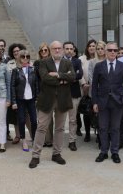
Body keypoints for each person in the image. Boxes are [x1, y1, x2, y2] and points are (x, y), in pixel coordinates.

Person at [29, 41, 76, 169]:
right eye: (54, 48)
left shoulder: (67, 62)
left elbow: (73, 77)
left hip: (63, 100)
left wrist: (58, 75)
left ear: (62, 49)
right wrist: (63, 80)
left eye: (59, 48)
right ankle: (35, 155)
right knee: (41, 127)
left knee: (60, 128)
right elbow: (45, 78)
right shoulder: (43, 62)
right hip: (46, 100)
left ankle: (56, 154)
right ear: (50, 49)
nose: (57, 50)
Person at [92, 42, 123, 163]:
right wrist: (95, 102)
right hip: (102, 102)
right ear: (105, 51)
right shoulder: (99, 66)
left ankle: (115, 152)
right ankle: (103, 152)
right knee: (103, 128)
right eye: (110, 50)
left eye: (115, 50)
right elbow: (94, 86)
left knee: (115, 128)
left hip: (117, 102)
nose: (113, 52)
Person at [11, 49, 38, 152]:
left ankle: (34, 139)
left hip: (31, 98)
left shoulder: (33, 69)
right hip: (20, 99)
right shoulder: (16, 70)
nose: (25, 59)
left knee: (34, 121)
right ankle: (24, 140)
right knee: (21, 120)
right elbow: (12, 86)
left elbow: (36, 84)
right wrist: (14, 102)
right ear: (19, 58)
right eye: (23, 57)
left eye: (27, 57)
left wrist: (37, 97)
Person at [63, 41, 83, 151]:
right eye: (67, 48)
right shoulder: (59, 61)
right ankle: (58, 140)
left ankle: (72, 141)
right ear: (63, 49)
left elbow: (80, 75)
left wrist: (66, 78)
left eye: (71, 49)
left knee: (72, 119)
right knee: (60, 119)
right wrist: (71, 76)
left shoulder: (77, 61)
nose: (69, 50)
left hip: (73, 94)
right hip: (60, 94)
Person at [34, 43, 54, 148]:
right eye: (42, 50)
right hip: (41, 93)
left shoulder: (52, 62)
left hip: (51, 92)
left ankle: (50, 140)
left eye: (45, 50)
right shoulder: (37, 63)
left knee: (50, 119)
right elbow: (36, 80)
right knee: (42, 119)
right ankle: (43, 140)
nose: (44, 52)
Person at [6, 43, 27, 144]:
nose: (16, 53)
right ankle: (18, 136)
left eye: (17, 51)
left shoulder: (27, 62)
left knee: (27, 117)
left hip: (26, 93)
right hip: (13, 92)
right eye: (14, 52)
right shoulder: (9, 63)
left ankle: (31, 136)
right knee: (15, 117)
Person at [77, 39, 96, 141]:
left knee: (96, 112)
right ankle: (87, 133)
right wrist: (84, 83)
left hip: (96, 89)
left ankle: (97, 133)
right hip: (84, 89)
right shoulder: (82, 59)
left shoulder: (99, 58)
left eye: (94, 46)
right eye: (90, 46)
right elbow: (79, 73)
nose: (92, 48)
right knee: (86, 111)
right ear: (87, 48)